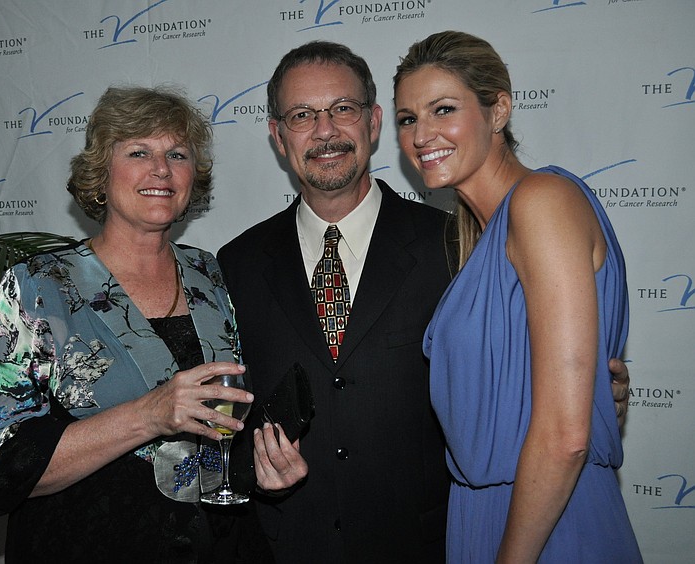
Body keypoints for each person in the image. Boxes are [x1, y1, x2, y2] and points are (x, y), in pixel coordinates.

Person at [218, 41, 632, 563]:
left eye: (342, 108)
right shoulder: (234, 264)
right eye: (302, 115)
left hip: (452, 539)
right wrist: (255, 469)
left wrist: (590, 394)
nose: (324, 130)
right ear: (278, 136)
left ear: (372, 123)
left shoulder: (455, 243)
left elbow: (561, 426)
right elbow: (226, 418)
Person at [0, 86, 271, 563]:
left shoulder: (207, 273)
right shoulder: (40, 286)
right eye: (138, 152)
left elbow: (223, 425)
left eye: (177, 154)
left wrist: (263, 465)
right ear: (100, 176)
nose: (161, 169)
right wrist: (147, 415)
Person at [393, 30, 642, 562]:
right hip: (491, 513)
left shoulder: (542, 202)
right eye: (408, 119)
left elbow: (566, 437)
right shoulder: (478, 236)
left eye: (443, 109)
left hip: (545, 523)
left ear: (499, 110)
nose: (421, 135)